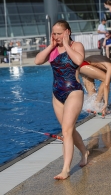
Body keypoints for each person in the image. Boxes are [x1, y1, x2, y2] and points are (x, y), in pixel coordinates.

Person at [34, 20, 89, 180]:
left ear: (67, 32)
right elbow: (37, 61)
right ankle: (84, 151)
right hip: (57, 94)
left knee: (66, 131)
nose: (56, 36)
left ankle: (65, 169)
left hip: (73, 91)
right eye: (54, 33)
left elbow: (79, 61)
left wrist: (66, 44)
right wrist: (51, 46)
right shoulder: (52, 49)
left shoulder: (76, 45)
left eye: (59, 33)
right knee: (69, 129)